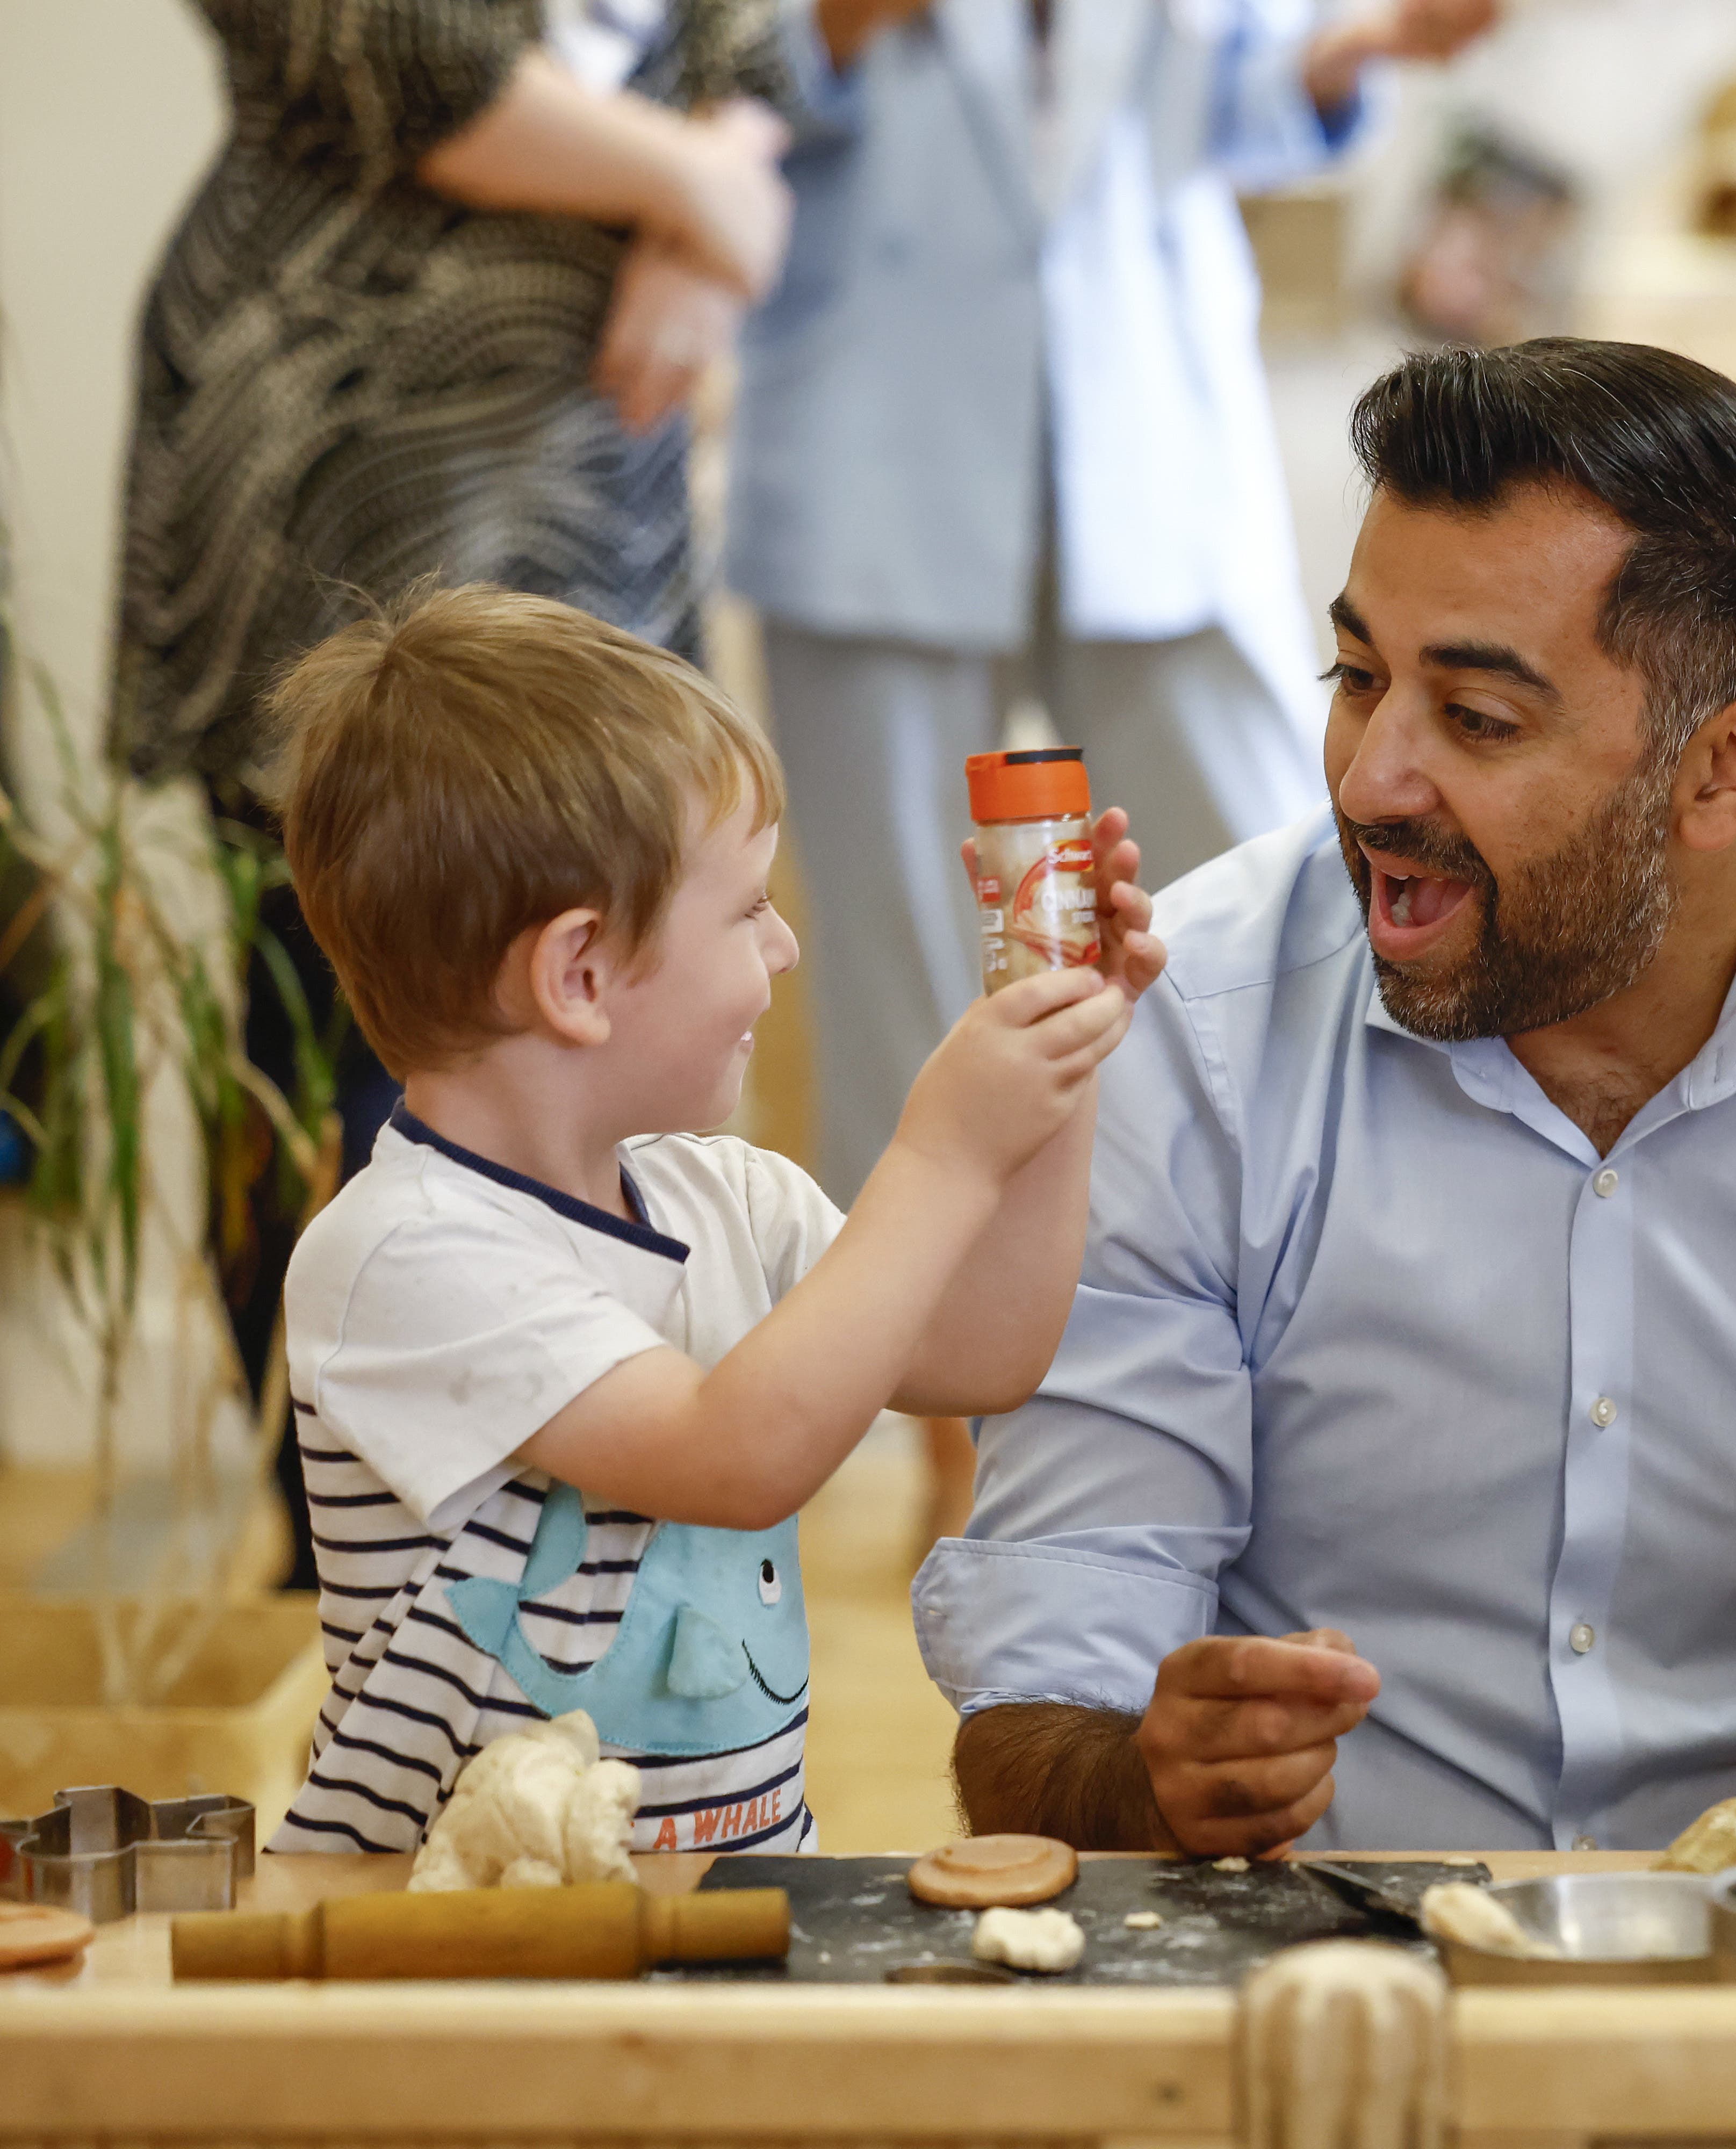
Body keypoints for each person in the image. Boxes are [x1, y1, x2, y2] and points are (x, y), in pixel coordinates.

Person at [917, 341, 1736, 1857]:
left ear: (1730, 768)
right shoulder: (1183, 1033)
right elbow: (1041, 1711)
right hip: (1299, 2010)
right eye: (1356, 678)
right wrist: (1153, 1778)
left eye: (1476, 720)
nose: (1369, 781)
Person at [260, 586, 1160, 1856]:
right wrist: (942, 1150)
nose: (785, 945)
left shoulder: (725, 1194)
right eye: (746, 907)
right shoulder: (399, 1257)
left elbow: (984, 1355)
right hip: (457, 1965)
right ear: (577, 975)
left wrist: (1056, 1073)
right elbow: (739, 1456)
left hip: (730, 1910)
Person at [113, 0, 809, 1584]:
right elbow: (406, 53)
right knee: (347, 1019)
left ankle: (601, 1503)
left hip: (585, 464)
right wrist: (701, 194)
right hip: (343, 447)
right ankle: (357, 1561)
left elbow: (740, 44)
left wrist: (716, 216)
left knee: (612, 982)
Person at [732, 0, 1497, 1222]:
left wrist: (1356, 54)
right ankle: (930, 1377)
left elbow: (1232, 101)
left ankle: (1294, 1245)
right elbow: (714, 82)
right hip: (873, 443)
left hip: (1146, 437)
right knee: (905, 961)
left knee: (1264, 884)